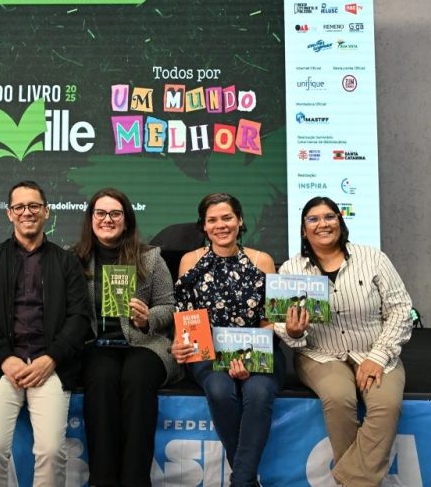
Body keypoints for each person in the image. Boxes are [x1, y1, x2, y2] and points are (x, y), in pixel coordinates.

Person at [275, 196, 412, 487]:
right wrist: (295, 332)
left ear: (340, 221)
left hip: (374, 350)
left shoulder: (372, 257)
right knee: (339, 398)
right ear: (303, 230)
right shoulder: (290, 269)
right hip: (320, 353)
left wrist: (378, 356)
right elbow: (282, 327)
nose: (322, 224)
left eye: (329, 217)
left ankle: (351, 481)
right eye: (313, 219)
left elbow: (401, 310)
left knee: (387, 404)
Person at [0, 181, 92, 487]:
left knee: (51, 452)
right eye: (20, 207)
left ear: (46, 212)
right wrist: (5, 358)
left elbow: (80, 318)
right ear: (10, 214)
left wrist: (51, 358)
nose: (27, 212)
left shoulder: (67, 263)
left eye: (34, 206)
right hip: (2, 368)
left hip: (50, 367)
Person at [172, 193, 283, 487]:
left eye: (227, 218)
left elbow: (269, 320)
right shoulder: (190, 261)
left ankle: (241, 481)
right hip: (207, 353)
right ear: (204, 227)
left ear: (240, 221)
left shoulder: (262, 260)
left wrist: (247, 358)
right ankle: (246, 480)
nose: (220, 225)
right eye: (212, 220)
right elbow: (187, 318)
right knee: (220, 390)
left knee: (258, 393)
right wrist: (179, 343)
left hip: (259, 351)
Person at [73, 187, 182, 487]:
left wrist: (148, 318)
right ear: (91, 219)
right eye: (101, 213)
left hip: (145, 344)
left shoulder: (151, 258)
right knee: (103, 377)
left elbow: (169, 306)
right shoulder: (74, 259)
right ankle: (103, 479)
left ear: (127, 220)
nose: (107, 219)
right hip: (97, 345)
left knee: (136, 375)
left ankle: (135, 480)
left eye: (115, 214)